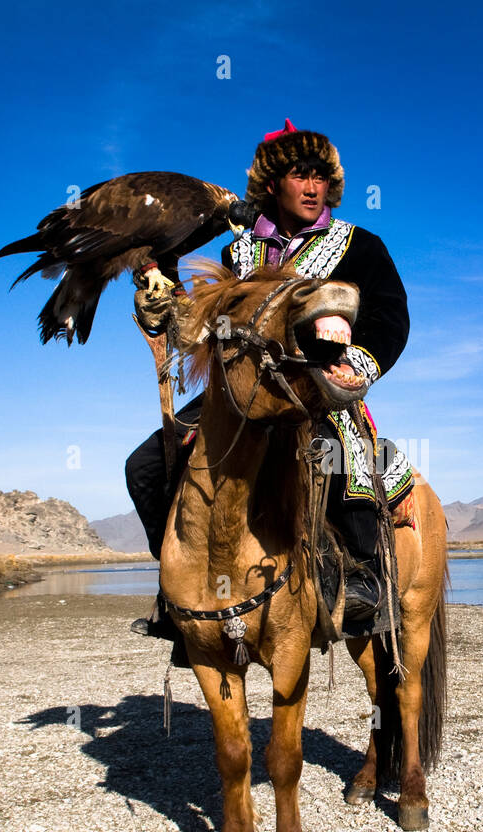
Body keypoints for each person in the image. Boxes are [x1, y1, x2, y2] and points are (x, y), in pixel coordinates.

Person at [125, 119, 412, 644]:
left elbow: (391, 317)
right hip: (240, 393)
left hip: (316, 392)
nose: (310, 186)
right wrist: (168, 313)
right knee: (145, 465)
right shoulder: (239, 256)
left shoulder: (360, 247)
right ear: (272, 184)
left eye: (319, 177)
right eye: (298, 175)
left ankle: (365, 582)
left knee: (333, 453)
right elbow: (214, 331)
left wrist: (361, 364)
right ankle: (179, 591)